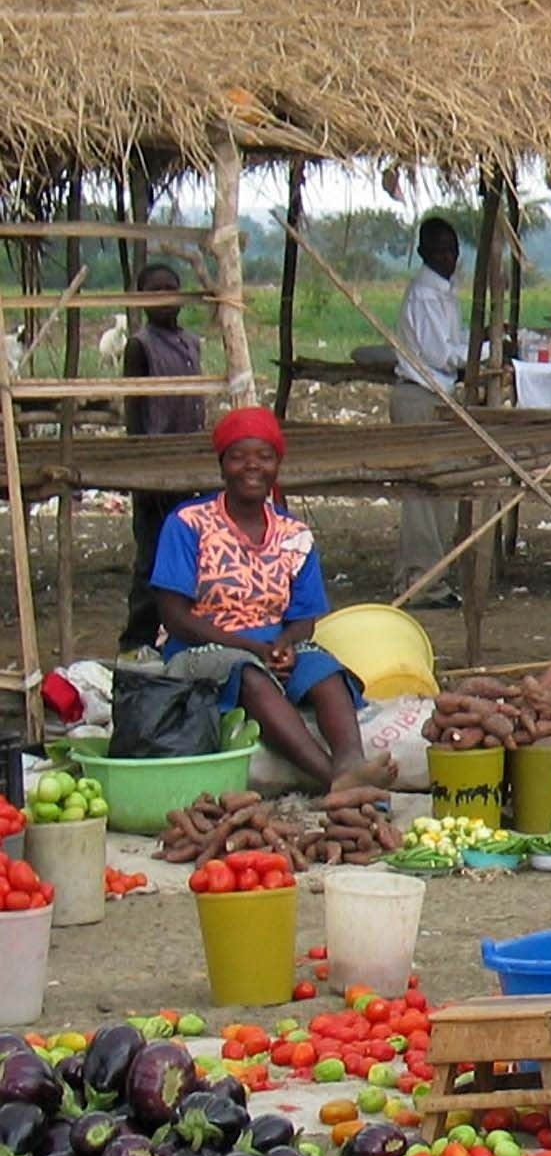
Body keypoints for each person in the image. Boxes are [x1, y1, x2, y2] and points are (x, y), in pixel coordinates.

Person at [151, 409, 388, 792]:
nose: (252, 467)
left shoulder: (294, 534)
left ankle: (351, 762)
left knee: (324, 672)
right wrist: (253, 649)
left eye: (264, 457)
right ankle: (334, 781)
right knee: (249, 674)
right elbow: (176, 618)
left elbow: (304, 618)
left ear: (278, 464)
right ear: (222, 465)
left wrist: (284, 644)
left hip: (269, 644)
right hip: (199, 647)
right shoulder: (188, 523)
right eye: (238, 456)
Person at [119, 262, 206, 655]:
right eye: (155, 291)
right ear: (141, 299)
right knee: (152, 559)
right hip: (155, 463)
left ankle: (181, 635)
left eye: (171, 290)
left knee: (190, 554)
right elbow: (136, 415)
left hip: (190, 461)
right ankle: (137, 640)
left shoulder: (191, 342)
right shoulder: (140, 346)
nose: (165, 299)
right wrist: (144, 473)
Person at [391, 217, 467, 609]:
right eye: (439, 251)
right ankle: (423, 583)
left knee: (440, 494)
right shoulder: (425, 293)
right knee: (423, 496)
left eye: (452, 250)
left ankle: (431, 576)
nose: (448, 258)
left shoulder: (444, 291)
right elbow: (443, 354)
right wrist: (482, 353)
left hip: (437, 397)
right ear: (423, 253)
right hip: (420, 397)